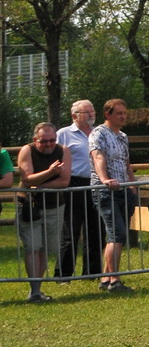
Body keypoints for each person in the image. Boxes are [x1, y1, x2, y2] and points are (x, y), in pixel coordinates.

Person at [16, 122, 72, 302]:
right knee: (33, 247)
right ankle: (34, 291)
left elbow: (64, 182)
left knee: (46, 249)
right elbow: (26, 178)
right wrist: (50, 172)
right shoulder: (27, 150)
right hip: (29, 207)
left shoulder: (63, 150)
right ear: (35, 140)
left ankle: (37, 290)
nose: (48, 144)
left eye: (52, 140)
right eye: (44, 141)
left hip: (55, 207)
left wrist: (38, 185)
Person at [89, 98, 136, 291]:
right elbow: (97, 156)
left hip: (124, 190)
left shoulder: (123, 136)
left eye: (125, 113)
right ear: (108, 114)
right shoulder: (98, 133)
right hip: (106, 191)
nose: (123, 116)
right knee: (117, 233)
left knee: (116, 235)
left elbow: (126, 163)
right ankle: (114, 280)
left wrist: (132, 186)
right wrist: (104, 179)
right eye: (119, 113)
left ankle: (106, 278)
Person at [55, 98, 103, 280]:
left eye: (93, 112)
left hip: (94, 183)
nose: (91, 115)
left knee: (95, 230)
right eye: (87, 112)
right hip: (73, 184)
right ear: (74, 116)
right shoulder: (64, 134)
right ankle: (64, 274)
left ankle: (92, 273)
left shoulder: (98, 133)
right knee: (71, 231)